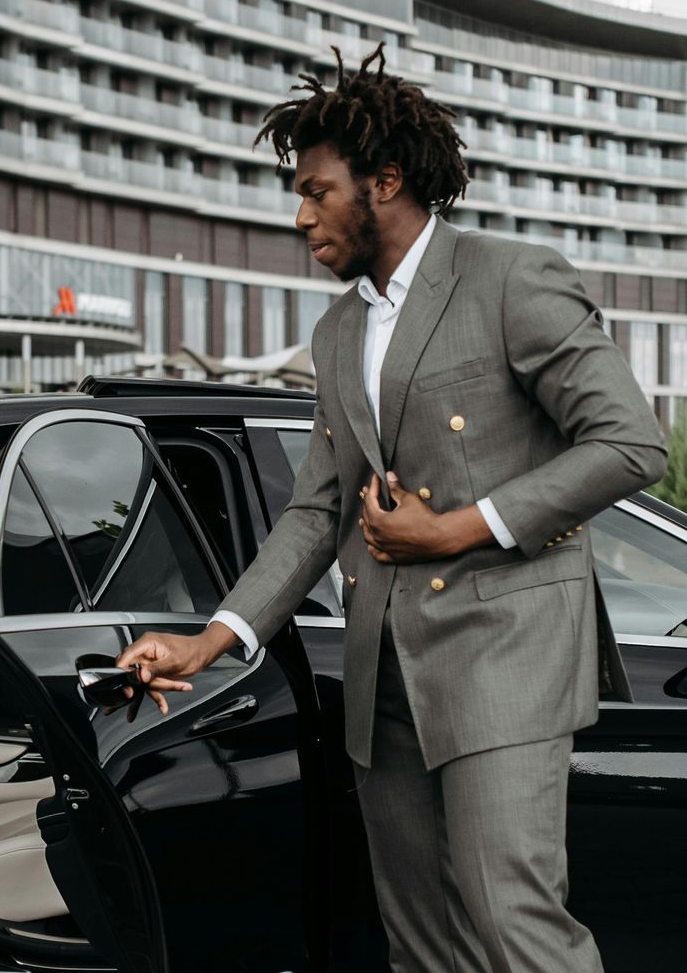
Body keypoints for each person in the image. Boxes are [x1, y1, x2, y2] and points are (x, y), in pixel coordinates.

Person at [117, 47, 664, 972]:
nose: (301, 216)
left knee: (514, 927)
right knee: (420, 947)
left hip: (502, 659)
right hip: (383, 679)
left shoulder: (510, 279)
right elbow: (314, 512)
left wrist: (460, 527)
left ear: (386, 180)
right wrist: (210, 641)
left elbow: (629, 443)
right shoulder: (338, 331)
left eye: (316, 191)